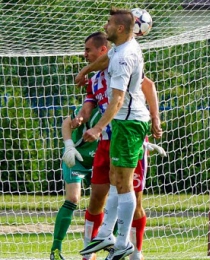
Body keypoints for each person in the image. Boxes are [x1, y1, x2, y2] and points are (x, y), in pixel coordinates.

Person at [76, 8, 163, 260]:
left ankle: (124, 242)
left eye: (110, 23)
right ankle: (106, 233)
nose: (106, 26)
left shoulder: (124, 57)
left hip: (129, 123)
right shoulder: (121, 49)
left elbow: (118, 99)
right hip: (126, 124)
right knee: (116, 179)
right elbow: (105, 60)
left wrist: (98, 126)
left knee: (125, 185)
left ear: (122, 28)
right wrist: (85, 72)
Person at [50, 106, 100, 260]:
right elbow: (66, 123)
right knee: (73, 198)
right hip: (76, 158)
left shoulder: (116, 110)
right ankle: (56, 249)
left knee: (109, 201)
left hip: (100, 161)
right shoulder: (89, 108)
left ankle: (114, 248)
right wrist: (69, 145)